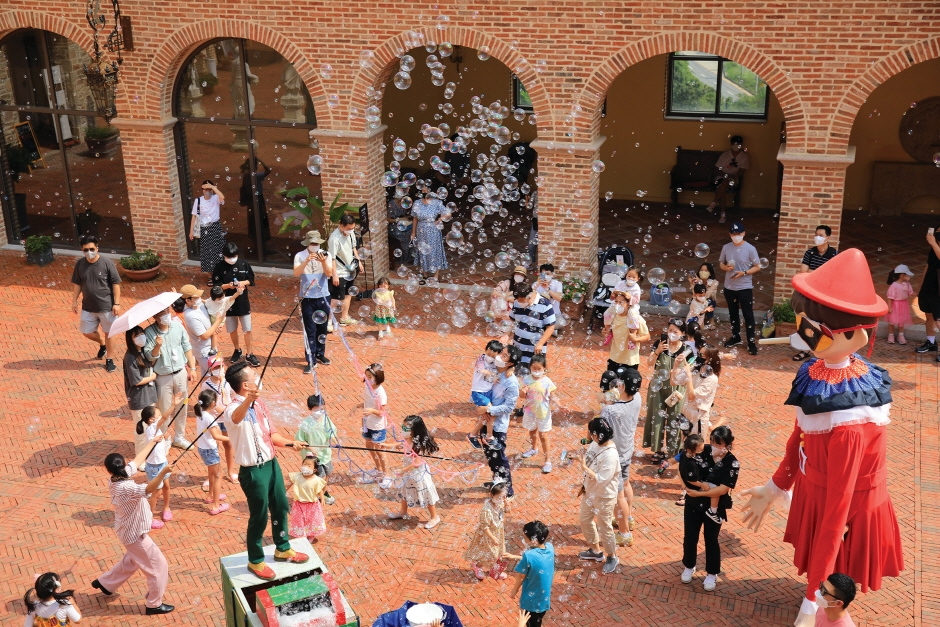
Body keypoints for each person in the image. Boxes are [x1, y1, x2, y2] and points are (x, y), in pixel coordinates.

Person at [740, 249, 902, 626]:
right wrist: (777, 484)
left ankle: (831, 602)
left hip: (845, 504)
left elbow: (838, 510)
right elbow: (800, 436)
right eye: (802, 325)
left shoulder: (852, 419)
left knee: (836, 566)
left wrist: (814, 598)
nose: (803, 336)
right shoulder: (819, 374)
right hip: (820, 486)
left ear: (855, 335)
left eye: (813, 331)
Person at [223, 361, 310, 580]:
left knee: (280, 506)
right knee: (259, 516)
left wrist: (291, 443)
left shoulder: (260, 404)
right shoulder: (232, 408)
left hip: (272, 464)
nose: (257, 378)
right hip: (253, 471)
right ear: (245, 385)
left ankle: (282, 546)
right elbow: (236, 418)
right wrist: (249, 400)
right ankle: (255, 560)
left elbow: (272, 435)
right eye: (253, 376)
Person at [92, 448, 174, 615]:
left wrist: (154, 441)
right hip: (136, 535)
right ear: (121, 465)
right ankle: (154, 604)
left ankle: (106, 583)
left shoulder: (115, 479)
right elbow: (149, 488)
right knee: (159, 567)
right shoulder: (126, 487)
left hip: (127, 531)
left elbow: (137, 461)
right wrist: (163, 472)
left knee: (133, 560)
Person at [680, 426, 739, 592]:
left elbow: (723, 489)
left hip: (714, 508)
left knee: (711, 539)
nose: (712, 445)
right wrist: (685, 484)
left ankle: (712, 573)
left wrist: (699, 494)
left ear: (727, 445)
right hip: (693, 503)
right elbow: (684, 463)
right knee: (690, 536)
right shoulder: (702, 450)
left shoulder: (732, 463)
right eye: (712, 441)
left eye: (717, 443)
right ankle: (689, 565)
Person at [600, 370, 643, 547]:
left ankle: (624, 534)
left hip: (614, 457)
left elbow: (600, 432)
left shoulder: (609, 410)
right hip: (627, 451)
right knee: (626, 485)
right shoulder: (638, 398)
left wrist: (605, 402)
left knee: (618, 497)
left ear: (623, 385)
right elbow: (621, 398)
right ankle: (629, 518)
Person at [144, 306, 196, 448]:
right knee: (164, 409)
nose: (166, 315)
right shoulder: (149, 333)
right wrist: (157, 346)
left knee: (182, 407)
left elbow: (187, 347)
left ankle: (179, 437)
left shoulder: (178, 327)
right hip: (163, 376)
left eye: (167, 311)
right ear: (155, 316)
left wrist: (192, 368)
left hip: (180, 372)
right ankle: (165, 438)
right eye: (162, 313)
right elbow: (150, 357)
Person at [575, 417, 621, 575]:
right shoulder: (595, 443)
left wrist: (583, 468)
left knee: (605, 527)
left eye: (590, 432)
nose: (588, 435)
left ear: (596, 434)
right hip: (590, 491)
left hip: (604, 496)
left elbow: (602, 479)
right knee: (584, 519)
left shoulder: (611, 456)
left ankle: (612, 556)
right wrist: (584, 483)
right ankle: (595, 551)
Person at [70, 235, 122, 372]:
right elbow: (77, 283)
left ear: (97, 248)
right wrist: (74, 301)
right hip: (88, 306)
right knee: (86, 332)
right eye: (85, 250)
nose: (89, 252)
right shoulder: (80, 264)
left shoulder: (107, 263)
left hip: (106, 307)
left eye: (92, 249)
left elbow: (116, 284)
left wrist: (116, 303)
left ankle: (109, 359)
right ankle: (102, 344)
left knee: (109, 333)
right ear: (82, 250)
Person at [643, 319, 692, 460]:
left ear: (682, 334)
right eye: (669, 330)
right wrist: (657, 351)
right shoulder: (660, 345)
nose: (671, 334)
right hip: (657, 387)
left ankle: (673, 451)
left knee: (674, 419)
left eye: (675, 331)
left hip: (676, 389)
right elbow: (649, 363)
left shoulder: (686, 351)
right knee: (656, 417)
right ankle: (657, 450)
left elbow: (689, 372)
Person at [792, 225, 839, 360]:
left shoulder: (834, 255)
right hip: (810, 294)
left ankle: (823, 352)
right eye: (816, 234)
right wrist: (820, 273)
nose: (818, 237)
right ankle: (805, 350)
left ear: (828, 238)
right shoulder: (810, 253)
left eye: (821, 235)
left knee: (824, 323)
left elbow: (832, 276)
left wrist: (813, 272)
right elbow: (803, 272)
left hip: (825, 296)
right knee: (808, 321)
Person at [480, 345, 522, 497]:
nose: (499, 356)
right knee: (491, 457)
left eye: (504, 356)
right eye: (501, 353)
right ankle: (497, 482)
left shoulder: (511, 383)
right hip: (485, 421)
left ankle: (508, 491)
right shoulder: (495, 371)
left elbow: (509, 406)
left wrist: (490, 410)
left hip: (497, 427)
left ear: (510, 363)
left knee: (500, 459)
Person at [388, 415, 442, 529]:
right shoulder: (408, 439)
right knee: (405, 491)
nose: (403, 430)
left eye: (406, 428)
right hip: (408, 473)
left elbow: (416, 463)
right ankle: (403, 511)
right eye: (403, 427)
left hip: (419, 474)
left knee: (426, 494)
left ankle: (435, 517)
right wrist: (385, 445)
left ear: (415, 430)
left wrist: (402, 470)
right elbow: (401, 444)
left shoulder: (419, 444)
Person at [294, 231, 334, 373]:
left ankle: (320, 354)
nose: (315, 246)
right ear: (307, 244)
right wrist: (306, 261)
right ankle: (310, 360)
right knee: (310, 329)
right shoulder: (299, 256)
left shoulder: (326, 255)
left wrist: (323, 262)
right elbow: (296, 273)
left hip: (323, 296)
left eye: (317, 243)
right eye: (312, 244)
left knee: (322, 328)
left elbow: (329, 274)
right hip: (307, 298)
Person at [212, 242, 258, 366]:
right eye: (229, 257)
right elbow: (217, 285)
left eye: (234, 256)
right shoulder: (219, 267)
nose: (232, 259)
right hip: (228, 303)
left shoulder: (244, 264)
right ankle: (237, 350)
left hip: (243, 302)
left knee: (247, 329)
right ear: (224, 256)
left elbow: (251, 280)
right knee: (232, 329)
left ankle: (249, 354)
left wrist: (242, 283)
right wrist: (229, 285)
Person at [719, 221, 761, 355]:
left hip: (745, 287)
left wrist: (745, 273)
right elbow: (721, 263)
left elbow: (757, 266)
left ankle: (751, 342)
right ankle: (736, 336)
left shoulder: (750, 248)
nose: (736, 236)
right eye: (733, 233)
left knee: (748, 314)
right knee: (733, 313)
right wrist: (725, 268)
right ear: (730, 234)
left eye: (738, 233)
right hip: (729, 286)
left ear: (743, 233)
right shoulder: (726, 247)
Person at [505, 520, 554, 627]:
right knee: (538, 619)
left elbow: (521, 576)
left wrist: (514, 590)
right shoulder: (550, 548)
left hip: (531, 601)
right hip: (543, 598)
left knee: (531, 623)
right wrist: (514, 557)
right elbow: (536, 559)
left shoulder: (528, 555)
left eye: (525, 536)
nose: (523, 538)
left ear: (533, 539)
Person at [296, 394, 337, 505]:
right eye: (317, 409)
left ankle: (323, 492)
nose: (320, 412)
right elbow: (300, 440)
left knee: (327, 474)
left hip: (326, 454)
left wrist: (334, 440)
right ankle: (317, 495)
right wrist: (310, 447)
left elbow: (331, 433)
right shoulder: (305, 424)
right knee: (320, 476)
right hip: (313, 458)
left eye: (322, 409)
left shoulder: (326, 419)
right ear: (310, 409)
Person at [193, 389, 230, 515]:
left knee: (211, 473)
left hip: (203, 448)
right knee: (218, 475)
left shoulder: (200, 413)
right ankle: (215, 505)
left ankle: (210, 495)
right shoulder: (209, 418)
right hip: (210, 450)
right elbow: (216, 436)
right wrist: (233, 439)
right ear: (213, 403)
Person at [463, 483, 509, 580]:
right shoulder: (486, 510)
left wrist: (506, 504)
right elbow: (485, 527)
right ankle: (478, 566)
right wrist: (492, 538)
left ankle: (495, 569)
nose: (502, 499)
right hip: (488, 535)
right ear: (491, 495)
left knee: (498, 553)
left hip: (498, 532)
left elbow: (507, 511)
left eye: (504, 496)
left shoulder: (500, 503)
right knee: (489, 554)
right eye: (500, 497)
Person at [519, 355, 557, 473]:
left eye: (539, 368)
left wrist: (559, 405)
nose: (536, 371)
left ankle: (547, 461)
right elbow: (521, 396)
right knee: (532, 431)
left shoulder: (547, 382)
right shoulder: (526, 380)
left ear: (544, 368)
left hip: (543, 413)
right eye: (534, 368)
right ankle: (534, 448)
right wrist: (523, 391)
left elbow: (553, 395)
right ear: (530, 367)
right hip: (530, 411)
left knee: (543, 436)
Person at [202, 355, 236, 484]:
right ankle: (212, 474)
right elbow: (204, 401)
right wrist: (214, 408)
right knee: (213, 446)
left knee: (228, 443)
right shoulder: (206, 384)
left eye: (220, 367)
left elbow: (234, 395)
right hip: (213, 419)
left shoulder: (227, 382)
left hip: (226, 418)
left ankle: (231, 471)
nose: (218, 370)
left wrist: (229, 406)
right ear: (210, 369)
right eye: (215, 368)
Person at [137, 407, 172, 526]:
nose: (161, 415)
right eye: (159, 414)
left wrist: (166, 439)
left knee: (166, 486)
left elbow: (161, 448)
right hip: (154, 467)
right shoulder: (152, 428)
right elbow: (165, 417)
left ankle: (166, 507)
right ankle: (149, 517)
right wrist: (173, 405)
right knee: (156, 493)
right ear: (152, 419)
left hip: (163, 464)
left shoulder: (157, 431)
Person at [603, 290, 650, 379]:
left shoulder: (637, 319)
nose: (618, 304)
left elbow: (647, 336)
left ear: (628, 303)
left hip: (630, 360)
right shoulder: (613, 316)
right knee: (612, 387)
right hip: (614, 358)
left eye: (621, 302)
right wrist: (606, 332)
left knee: (627, 389)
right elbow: (609, 331)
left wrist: (635, 340)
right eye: (616, 301)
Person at [180, 284, 225, 375]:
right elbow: (204, 336)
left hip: (210, 348)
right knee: (219, 376)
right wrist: (217, 322)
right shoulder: (191, 316)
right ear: (188, 301)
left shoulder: (199, 305)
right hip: (205, 353)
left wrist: (217, 326)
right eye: (196, 297)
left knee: (207, 377)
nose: (199, 298)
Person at [360, 363, 391, 488]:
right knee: (369, 445)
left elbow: (382, 412)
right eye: (366, 376)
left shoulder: (381, 393)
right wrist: (358, 406)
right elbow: (368, 402)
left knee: (380, 451)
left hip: (377, 426)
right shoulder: (368, 387)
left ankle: (387, 475)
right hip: (367, 422)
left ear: (377, 377)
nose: (367, 379)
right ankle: (378, 470)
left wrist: (372, 411)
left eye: (370, 376)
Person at [467, 339, 503, 449]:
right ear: (485, 350)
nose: (490, 357)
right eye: (488, 354)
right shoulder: (481, 359)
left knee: (486, 416)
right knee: (491, 413)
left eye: (493, 355)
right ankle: (489, 437)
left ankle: (472, 435)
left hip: (489, 392)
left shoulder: (496, 362)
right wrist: (493, 375)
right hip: (478, 392)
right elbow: (482, 371)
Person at [511, 283, 556, 366]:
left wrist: (540, 343)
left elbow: (550, 327)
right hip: (518, 347)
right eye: (519, 301)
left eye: (523, 301)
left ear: (530, 295)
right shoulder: (517, 302)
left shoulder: (545, 305)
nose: (520, 304)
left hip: (535, 349)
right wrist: (506, 334)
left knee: (533, 374)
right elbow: (512, 320)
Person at [124, 326, 157, 440]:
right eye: (136, 336)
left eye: (141, 334)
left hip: (150, 394)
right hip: (138, 397)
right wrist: (153, 377)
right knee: (142, 429)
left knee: (152, 427)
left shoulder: (144, 351)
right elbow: (136, 381)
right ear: (131, 339)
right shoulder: (130, 357)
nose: (141, 337)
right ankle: (140, 455)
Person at [328, 214, 362, 325]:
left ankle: (344, 318)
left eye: (353, 228)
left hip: (350, 269)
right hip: (340, 272)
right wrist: (335, 275)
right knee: (336, 299)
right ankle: (328, 322)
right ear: (341, 226)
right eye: (348, 229)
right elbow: (332, 258)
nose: (351, 231)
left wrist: (359, 262)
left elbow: (353, 249)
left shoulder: (351, 234)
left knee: (348, 294)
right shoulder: (334, 239)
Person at [681, 346, 722, 437]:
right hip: (686, 411)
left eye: (702, 356)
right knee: (682, 445)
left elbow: (691, 396)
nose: (699, 358)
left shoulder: (712, 379)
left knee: (694, 447)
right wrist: (677, 365)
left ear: (709, 360)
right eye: (699, 354)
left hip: (698, 416)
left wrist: (688, 375)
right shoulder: (695, 370)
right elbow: (675, 381)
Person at [286, 452, 328, 543]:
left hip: (312, 505)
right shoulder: (297, 476)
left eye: (309, 466)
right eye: (304, 464)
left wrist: (322, 498)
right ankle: (302, 535)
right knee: (299, 520)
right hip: (298, 504)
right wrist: (282, 491)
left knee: (312, 520)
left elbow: (319, 489)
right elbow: (289, 484)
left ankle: (311, 535)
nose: (306, 467)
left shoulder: (316, 480)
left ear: (315, 470)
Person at [706, 135, 748, 224]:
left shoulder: (744, 157)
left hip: (734, 179)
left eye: (738, 144)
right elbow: (716, 169)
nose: (736, 145)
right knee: (723, 187)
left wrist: (731, 176)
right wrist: (725, 175)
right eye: (734, 143)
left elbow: (741, 172)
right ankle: (722, 215)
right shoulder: (725, 155)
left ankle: (713, 204)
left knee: (724, 184)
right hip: (721, 177)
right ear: (731, 144)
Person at [411, 187, 449, 282]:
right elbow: (415, 218)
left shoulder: (436, 203)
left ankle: (436, 276)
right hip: (421, 231)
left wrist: (440, 219)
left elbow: (448, 213)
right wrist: (413, 232)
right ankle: (424, 275)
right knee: (422, 252)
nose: (424, 191)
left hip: (433, 230)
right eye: (422, 189)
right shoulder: (417, 203)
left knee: (435, 251)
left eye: (426, 189)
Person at [190, 180, 226, 276]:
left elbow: (222, 197)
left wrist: (214, 187)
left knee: (218, 250)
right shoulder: (198, 201)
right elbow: (194, 216)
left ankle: (220, 273)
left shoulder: (216, 198)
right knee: (207, 252)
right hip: (204, 228)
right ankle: (211, 276)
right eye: (205, 189)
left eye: (209, 189)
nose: (207, 191)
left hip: (215, 226)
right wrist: (191, 231)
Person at [915, 227, 940, 354]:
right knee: (928, 314)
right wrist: (920, 286)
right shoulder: (933, 248)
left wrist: (934, 243)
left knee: (939, 319)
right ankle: (931, 342)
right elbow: (928, 266)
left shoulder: (935, 245)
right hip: (929, 286)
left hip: (939, 290)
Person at [240, 158, 272, 247]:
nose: (257, 167)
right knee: (260, 221)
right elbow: (268, 171)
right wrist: (262, 161)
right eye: (256, 165)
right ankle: (262, 246)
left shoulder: (246, 175)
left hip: (252, 201)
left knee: (254, 221)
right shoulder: (253, 176)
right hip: (258, 200)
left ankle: (256, 245)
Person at [204, 284, 242, 353]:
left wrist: (238, 292)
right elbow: (206, 302)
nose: (221, 299)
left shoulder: (225, 300)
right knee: (209, 333)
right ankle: (211, 346)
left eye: (222, 297)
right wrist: (199, 300)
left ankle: (214, 348)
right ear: (213, 298)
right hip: (211, 317)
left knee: (213, 333)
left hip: (220, 319)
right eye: (219, 299)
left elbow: (232, 298)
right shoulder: (210, 301)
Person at [885, 264, 914, 345]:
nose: (908, 277)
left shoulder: (907, 284)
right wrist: (889, 307)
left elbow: (910, 292)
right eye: (907, 275)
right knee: (892, 321)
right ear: (902, 275)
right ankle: (891, 335)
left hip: (903, 305)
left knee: (902, 321)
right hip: (895, 305)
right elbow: (890, 297)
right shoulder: (894, 286)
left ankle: (901, 335)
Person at [386, 189, 413, 265]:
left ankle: (409, 256)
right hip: (393, 226)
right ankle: (404, 258)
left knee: (411, 231)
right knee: (402, 235)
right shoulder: (391, 204)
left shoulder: (403, 202)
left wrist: (408, 217)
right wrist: (399, 219)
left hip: (403, 224)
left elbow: (405, 214)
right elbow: (388, 220)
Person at [688, 262, 719, 328]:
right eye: (701, 270)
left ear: (710, 273)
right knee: (693, 301)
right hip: (698, 300)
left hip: (709, 300)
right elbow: (695, 294)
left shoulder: (715, 282)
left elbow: (707, 295)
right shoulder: (696, 281)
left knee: (709, 302)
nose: (703, 272)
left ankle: (711, 320)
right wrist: (692, 284)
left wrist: (700, 282)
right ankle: (697, 319)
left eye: (706, 270)